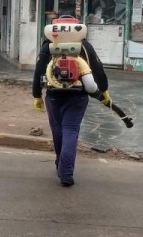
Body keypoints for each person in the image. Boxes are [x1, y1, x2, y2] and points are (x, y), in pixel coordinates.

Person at [32, 15, 110, 187]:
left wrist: (36, 94)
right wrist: (103, 90)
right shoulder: (84, 46)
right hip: (77, 96)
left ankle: (60, 162)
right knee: (71, 131)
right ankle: (66, 173)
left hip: (53, 96)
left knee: (57, 130)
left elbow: (38, 71)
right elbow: (97, 68)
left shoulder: (48, 46)